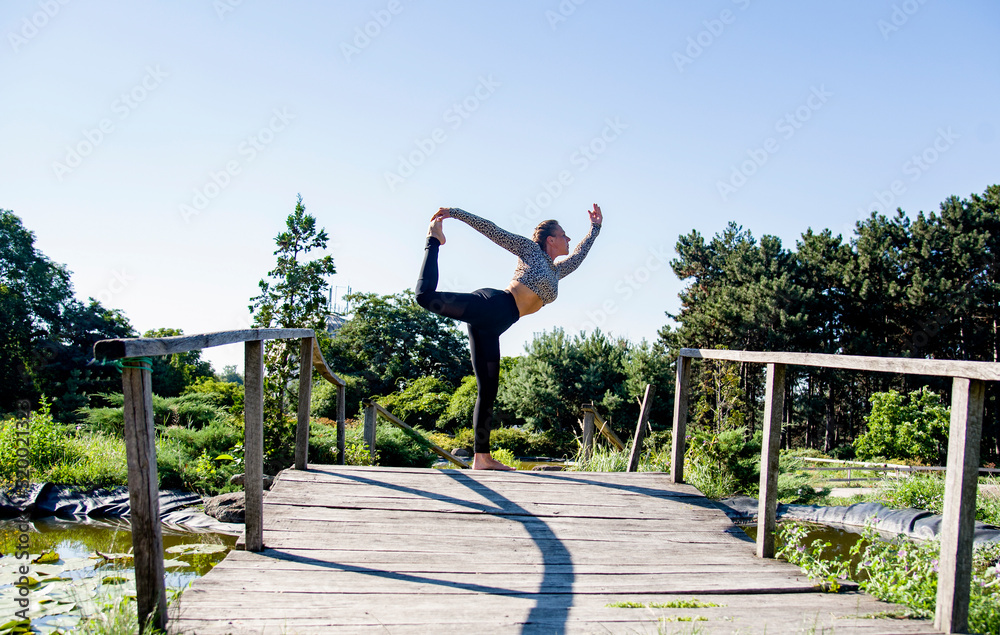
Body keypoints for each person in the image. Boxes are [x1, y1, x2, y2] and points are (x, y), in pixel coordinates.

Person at [415, 204, 603, 470]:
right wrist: (455, 213)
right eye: (564, 234)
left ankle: (481, 458)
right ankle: (433, 239)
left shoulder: (557, 271)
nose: (569, 239)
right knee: (425, 298)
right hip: (493, 305)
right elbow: (493, 231)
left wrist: (595, 229)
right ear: (550, 239)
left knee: (488, 390)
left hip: (496, 325)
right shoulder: (530, 250)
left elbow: (580, 255)